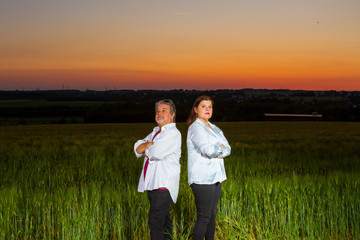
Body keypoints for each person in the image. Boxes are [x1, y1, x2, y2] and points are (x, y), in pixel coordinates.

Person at [134, 99, 181, 240]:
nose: (159, 114)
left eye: (164, 111)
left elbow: (156, 153)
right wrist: (150, 144)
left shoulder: (172, 133)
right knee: (164, 222)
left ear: (172, 115)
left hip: (163, 184)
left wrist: (147, 147)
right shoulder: (155, 132)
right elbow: (137, 148)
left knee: (155, 222)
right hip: (153, 184)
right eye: (157, 111)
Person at [186, 95, 231, 240]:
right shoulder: (195, 128)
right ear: (195, 109)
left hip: (216, 176)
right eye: (203, 106)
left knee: (212, 215)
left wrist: (219, 151)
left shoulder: (215, 128)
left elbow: (228, 149)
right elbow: (208, 150)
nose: (207, 109)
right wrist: (220, 150)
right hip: (202, 178)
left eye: (210, 106)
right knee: (204, 217)